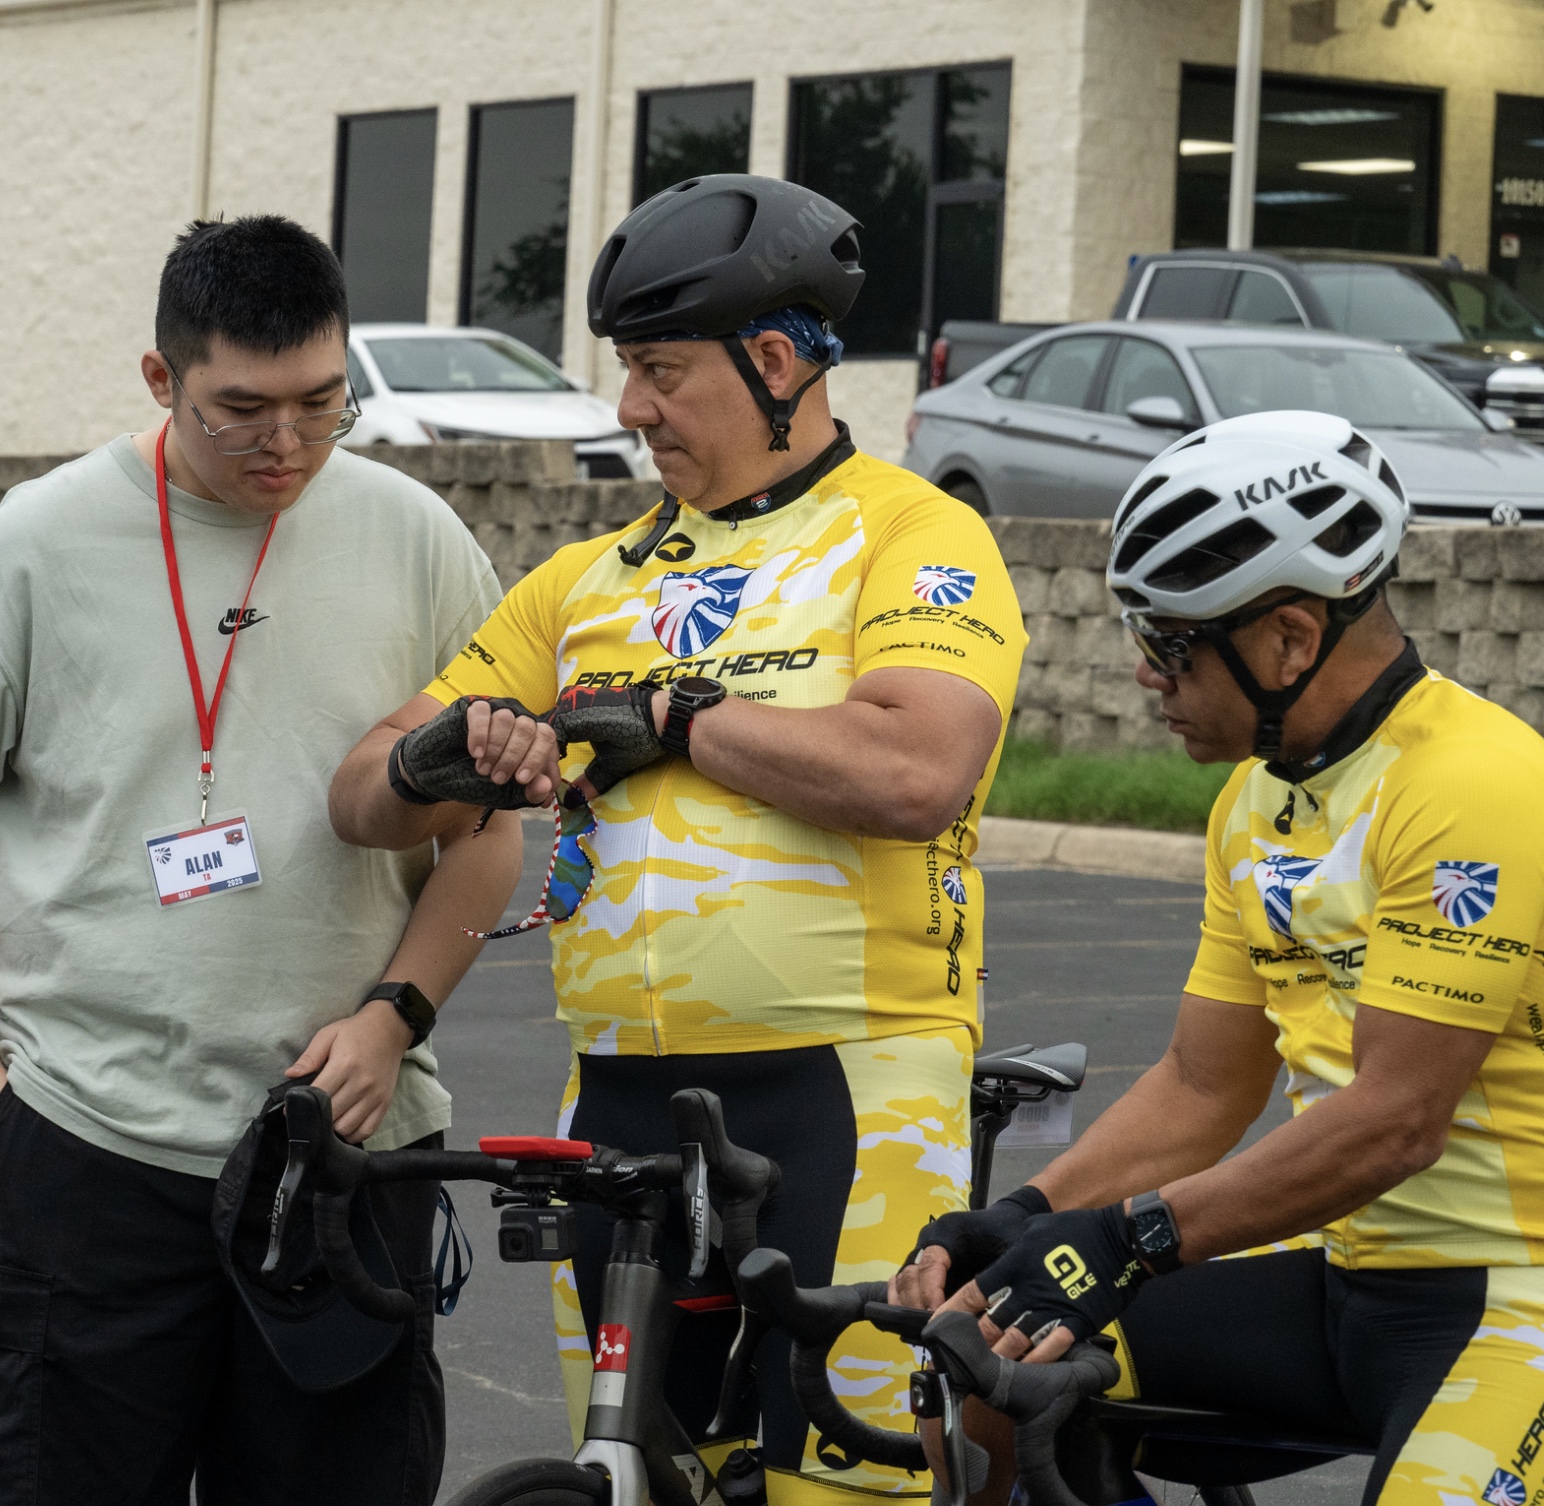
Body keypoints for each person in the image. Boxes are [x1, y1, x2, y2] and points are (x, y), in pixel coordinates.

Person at [329, 173, 1026, 1504]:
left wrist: (674, 714)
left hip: (846, 1089)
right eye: (628, 372)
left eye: (659, 370)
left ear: (775, 363)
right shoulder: (586, 581)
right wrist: (445, 753)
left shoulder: (917, 533)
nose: (631, 408)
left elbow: (915, 765)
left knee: (843, 1483)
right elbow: (360, 791)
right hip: (621, 1104)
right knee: (644, 1472)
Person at [895, 411, 1544, 1506]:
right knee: (991, 1373)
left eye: (1168, 642)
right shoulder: (1258, 799)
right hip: (1352, 1278)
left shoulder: (1472, 784)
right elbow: (1206, 1084)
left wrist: (1127, 1239)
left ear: (1288, 638)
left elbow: (1395, 1118)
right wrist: (1030, 1218)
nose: (1143, 673)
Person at [0, 216, 514, 1504]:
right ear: (161, 380)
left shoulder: (419, 539)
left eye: (319, 403)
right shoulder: (33, 546)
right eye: (240, 410)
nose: (284, 445)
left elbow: (492, 829)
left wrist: (396, 1020)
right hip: (90, 1147)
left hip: (349, 1151)